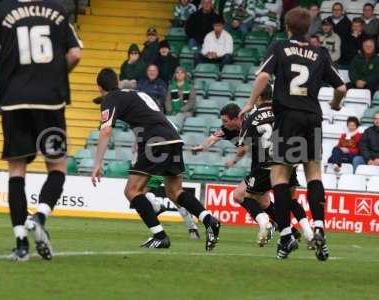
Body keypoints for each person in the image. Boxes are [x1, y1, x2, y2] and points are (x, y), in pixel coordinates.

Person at [239, 7, 347, 260]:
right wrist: (335, 104)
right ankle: (319, 226)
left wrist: (250, 102)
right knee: (313, 173)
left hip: (288, 116)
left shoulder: (279, 47)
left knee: (280, 176)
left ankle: (286, 234)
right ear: (308, 29)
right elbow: (341, 86)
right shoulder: (319, 52)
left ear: (287, 27)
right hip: (313, 116)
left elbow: (264, 75)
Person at [0, 0, 82, 261]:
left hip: (14, 101)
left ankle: (21, 243)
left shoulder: (1, 11)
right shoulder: (57, 9)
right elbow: (75, 55)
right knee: (57, 167)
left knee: (16, 171)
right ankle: (40, 216)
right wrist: (57, 76)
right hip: (50, 100)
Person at [91, 69, 220, 250]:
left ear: (99, 87)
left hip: (155, 141)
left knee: (132, 191)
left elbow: (105, 130)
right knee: (174, 191)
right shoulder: (137, 93)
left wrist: (97, 164)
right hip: (173, 137)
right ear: (118, 81)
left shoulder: (110, 98)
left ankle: (160, 235)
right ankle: (209, 219)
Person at [192, 100, 313, 247]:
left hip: (265, 165)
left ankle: (273, 226)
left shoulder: (250, 121)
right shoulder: (229, 129)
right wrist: (201, 147)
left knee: (239, 195)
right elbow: (213, 138)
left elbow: (243, 149)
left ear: (237, 118)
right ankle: (293, 231)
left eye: (225, 121)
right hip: (281, 161)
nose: (223, 124)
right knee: (265, 202)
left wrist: (233, 161)